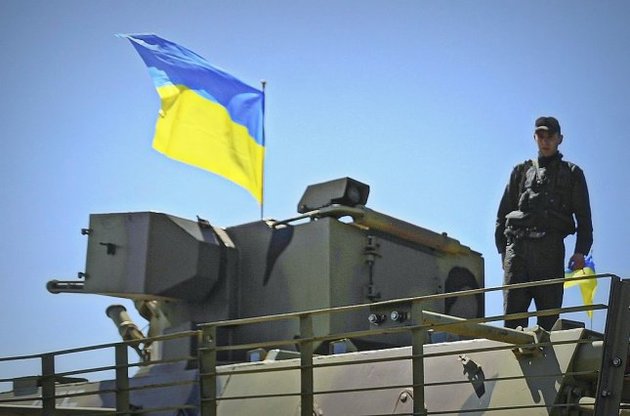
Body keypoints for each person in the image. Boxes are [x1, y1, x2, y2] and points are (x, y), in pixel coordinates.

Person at [495, 116, 593, 331]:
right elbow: (502, 215)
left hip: (549, 250)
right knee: (513, 321)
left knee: (549, 321)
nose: (545, 141)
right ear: (535, 138)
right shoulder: (521, 171)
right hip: (517, 251)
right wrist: (503, 251)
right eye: (541, 136)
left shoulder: (572, 173)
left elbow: (584, 218)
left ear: (560, 139)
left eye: (550, 136)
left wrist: (580, 252)